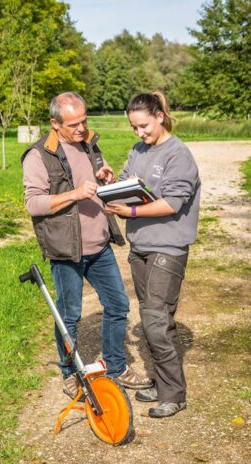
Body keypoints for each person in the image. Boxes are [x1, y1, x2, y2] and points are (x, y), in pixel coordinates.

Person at [22, 92, 152, 398]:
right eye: (73, 124)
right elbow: (33, 203)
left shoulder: (90, 143)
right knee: (69, 315)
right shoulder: (39, 155)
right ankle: (70, 373)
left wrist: (106, 179)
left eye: (84, 121)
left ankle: (116, 367)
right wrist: (74, 194)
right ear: (55, 123)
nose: (81, 128)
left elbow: (101, 180)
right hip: (67, 249)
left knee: (118, 305)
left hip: (99, 244)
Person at [104, 92, 201, 418]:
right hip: (141, 248)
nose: (139, 134)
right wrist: (111, 185)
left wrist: (130, 211)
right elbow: (125, 180)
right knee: (153, 318)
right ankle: (162, 384)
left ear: (160, 116)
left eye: (143, 126)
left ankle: (174, 394)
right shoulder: (138, 150)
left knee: (155, 321)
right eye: (134, 128)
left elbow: (172, 204)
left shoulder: (178, 154)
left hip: (167, 248)